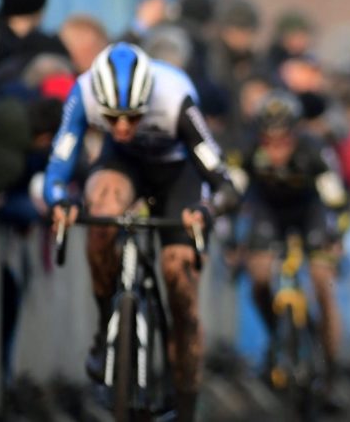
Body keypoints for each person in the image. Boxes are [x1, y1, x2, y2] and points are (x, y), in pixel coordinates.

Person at [44, 42, 240, 421]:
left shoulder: (175, 98)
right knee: (101, 213)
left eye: (132, 117)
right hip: (122, 166)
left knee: (179, 277)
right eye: (112, 117)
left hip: (176, 174)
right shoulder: (83, 92)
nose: (120, 127)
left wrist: (206, 209)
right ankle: (106, 329)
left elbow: (222, 180)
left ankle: (184, 403)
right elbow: (60, 161)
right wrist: (59, 202)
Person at [240, 92, 348, 411]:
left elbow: (337, 198)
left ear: (295, 133)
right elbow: (231, 192)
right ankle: (277, 335)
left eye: (283, 140)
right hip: (268, 214)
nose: (275, 150)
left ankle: (328, 372)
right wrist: (232, 240)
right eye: (268, 141)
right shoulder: (248, 152)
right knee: (259, 277)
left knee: (322, 282)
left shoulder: (314, 151)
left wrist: (336, 234)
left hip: (309, 214)